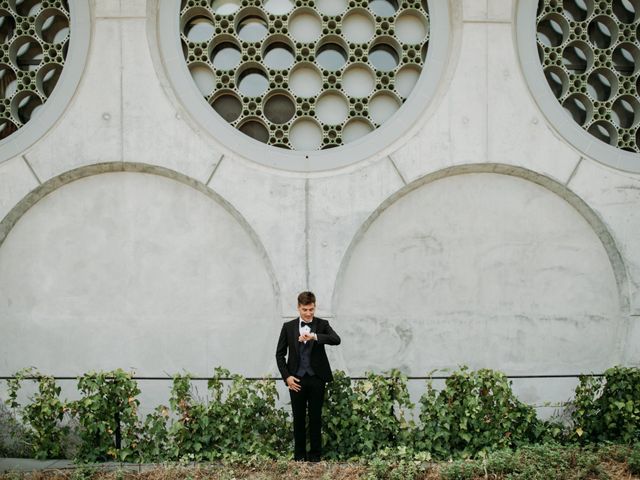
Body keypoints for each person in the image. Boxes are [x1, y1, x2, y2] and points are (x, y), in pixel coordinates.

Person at [275, 291, 341, 461]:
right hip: (296, 378)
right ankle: (299, 456)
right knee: (298, 418)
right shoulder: (288, 327)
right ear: (298, 308)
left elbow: (336, 339)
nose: (309, 313)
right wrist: (287, 377)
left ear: (314, 306)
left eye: (311, 309)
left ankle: (315, 456)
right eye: (305, 309)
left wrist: (314, 336)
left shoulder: (322, 324)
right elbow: (279, 354)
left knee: (315, 417)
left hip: (316, 378)